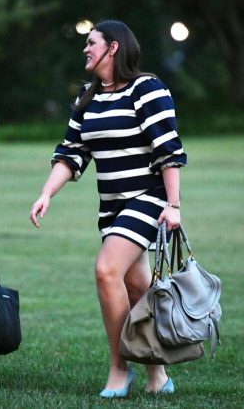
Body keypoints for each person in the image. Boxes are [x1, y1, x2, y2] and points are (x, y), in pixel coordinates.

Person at [29, 20, 187, 398]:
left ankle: (119, 368)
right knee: (136, 288)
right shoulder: (88, 95)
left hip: (146, 201)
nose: (85, 49)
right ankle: (158, 376)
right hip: (111, 209)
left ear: (113, 47)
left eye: (91, 42)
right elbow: (70, 153)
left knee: (105, 270)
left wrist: (174, 205)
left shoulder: (146, 88)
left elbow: (168, 149)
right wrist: (47, 193)